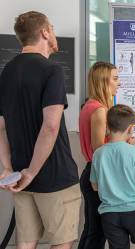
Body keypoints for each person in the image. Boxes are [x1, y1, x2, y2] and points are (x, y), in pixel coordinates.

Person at [0, 11, 81, 248]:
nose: (54, 33)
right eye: (52, 28)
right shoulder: (52, 70)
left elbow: (1, 128)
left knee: (25, 242)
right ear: (44, 32)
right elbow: (51, 125)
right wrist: (33, 172)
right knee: (61, 242)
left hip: (21, 177)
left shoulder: (6, 73)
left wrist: (9, 168)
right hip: (54, 177)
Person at [90, 104, 135, 249]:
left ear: (108, 127)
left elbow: (94, 186)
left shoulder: (98, 153)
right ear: (131, 128)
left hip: (110, 214)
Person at [78, 61, 125, 249]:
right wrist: (124, 142)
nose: (118, 83)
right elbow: (100, 151)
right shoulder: (99, 110)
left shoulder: (89, 106)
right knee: (98, 233)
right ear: (103, 81)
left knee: (91, 230)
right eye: (115, 79)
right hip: (98, 175)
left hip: (91, 174)